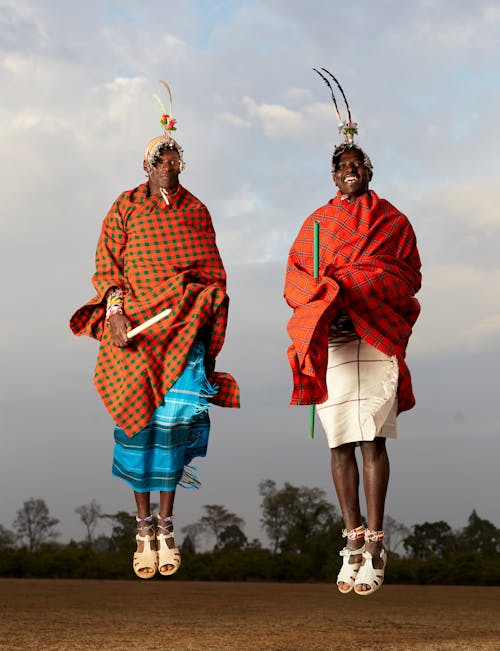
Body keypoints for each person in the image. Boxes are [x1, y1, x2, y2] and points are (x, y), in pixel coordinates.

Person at [70, 82, 239, 579]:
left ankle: (167, 524)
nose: (166, 166)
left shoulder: (197, 210)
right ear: (146, 167)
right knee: (137, 424)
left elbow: (214, 272)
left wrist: (202, 302)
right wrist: (115, 312)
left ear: (180, 165)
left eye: (173, 159)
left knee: (176, 425)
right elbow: (108, 264)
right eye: (158, 160)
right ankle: (141, 526)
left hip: (183, 331)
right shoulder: (124, 207)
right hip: (137, 331)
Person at [284, 71, 421, 596]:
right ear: (332, 174)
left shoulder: (393, 220)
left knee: (371, 438)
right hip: (334, 340)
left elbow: (405, 278)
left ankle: (379, 539)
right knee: (340, 438)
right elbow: (295, 279)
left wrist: (351, 289)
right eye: (341, 166)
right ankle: (353, 536)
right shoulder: (315, 224)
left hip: (376, 336)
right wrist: (324, 304)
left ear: (369, 170)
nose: (349, 171)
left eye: (356, 164)